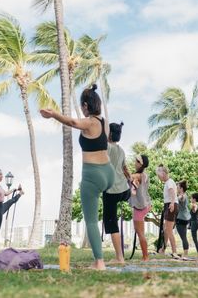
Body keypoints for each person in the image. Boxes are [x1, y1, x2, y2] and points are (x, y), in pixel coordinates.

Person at [40, 84, 114, 270]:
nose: (81, 110)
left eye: (82, 106)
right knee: (103, 215)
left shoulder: (90, 122)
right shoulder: (104, 122)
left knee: (91, 221)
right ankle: (101, 258)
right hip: (109, 172)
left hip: (93, 174)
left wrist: (53, 114)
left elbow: (73, 123)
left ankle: (99, 262)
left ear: (86, 106)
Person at [103, 121, 131, 264]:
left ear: (109, 134)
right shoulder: (121, 150)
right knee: (112, 222)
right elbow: (125, 169)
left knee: (111, 224)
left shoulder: (107, 147)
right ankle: (119, 256)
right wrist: (130, 180)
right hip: (124, 190)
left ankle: (119, 258)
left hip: (111, 191)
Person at [129, 154, 151, 261]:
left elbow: (130, 177)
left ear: (140, 164)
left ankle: (145, 256)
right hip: (144, 205)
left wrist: (122, 169)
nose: (134, 163)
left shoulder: (140, 175)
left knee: (140, 232)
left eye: (136, 161)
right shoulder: (145, 175)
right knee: (140, 231)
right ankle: (145, 255)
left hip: (140, 207)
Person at [156, 164, 179, 258]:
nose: (158, 177)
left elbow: (172, 192)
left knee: (169, 230)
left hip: (171, 204)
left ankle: (174, 252)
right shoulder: (168, 182)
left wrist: (172, 203)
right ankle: (163, 249)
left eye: (159, 175)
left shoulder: (169, 182)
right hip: (169, 204)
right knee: (166, 229)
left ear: (163, 173)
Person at [175, 180, 191, 258]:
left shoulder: (183, 196)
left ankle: (185, 254)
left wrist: (178, 197)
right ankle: (185, 253)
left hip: (181, 218)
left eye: (178, 187)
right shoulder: (185, 195)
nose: (176, 188)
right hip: (185, 218)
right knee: (184, 236)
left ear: (181, 188)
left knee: (183, 237)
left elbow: (182, 198)